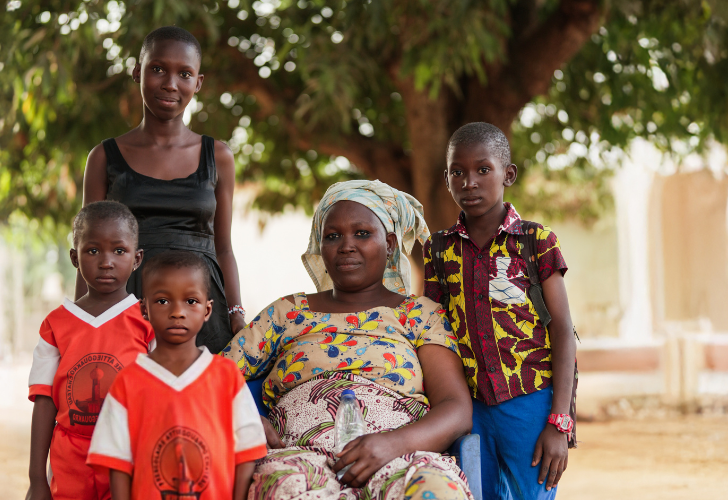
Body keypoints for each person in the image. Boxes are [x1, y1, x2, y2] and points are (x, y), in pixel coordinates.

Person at [222, 180, 475, 500]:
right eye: (332, 236)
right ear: (319, 245)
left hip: (401, 457)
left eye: (362, 233)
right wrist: (242, 416)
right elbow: (211, 378)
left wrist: (393, 444)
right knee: (286, 489)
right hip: (299, 461)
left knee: (437, 492)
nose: (346, 245)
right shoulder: (287, 313)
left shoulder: (419, 314)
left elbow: (456, 409)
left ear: (391, 244)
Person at [423, 122, 578, 500]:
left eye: (482, 169)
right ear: (446, 180)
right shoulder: (439, 249)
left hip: (530, 402)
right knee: (475, 493)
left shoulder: (535, 241)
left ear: (507, 174)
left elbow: (562, 330)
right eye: (457, 172)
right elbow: (431, 333)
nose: (469, 182)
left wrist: (560, 421)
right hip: (469, 409)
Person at [78, 25, 245, 354]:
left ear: (197, 83)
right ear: (137, 71)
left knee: (197, 404)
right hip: (128, 305)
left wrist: (236, 315)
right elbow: (89, 248)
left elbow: (223, 248)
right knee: (128, 402)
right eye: (157, 69)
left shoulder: (219, 156)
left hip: (200, 309)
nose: (170, 84)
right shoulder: (103, 157)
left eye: (184, 74)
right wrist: (82, 318)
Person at [87, 251, 266, 500]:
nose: (177, 311)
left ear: (207, 309)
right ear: (144, 309)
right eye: (162, 301)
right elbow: (117, 463)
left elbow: (247, 451)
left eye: (191, 301)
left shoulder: (227, 377)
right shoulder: (128, 383)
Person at [27, 201, 155, 500]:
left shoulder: (148, 321)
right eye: (93, 250)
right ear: (75, 257)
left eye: (119, 251)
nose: (106, 261)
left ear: (137, 259)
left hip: (129, 457)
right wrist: (36, 479)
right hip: (70, 461)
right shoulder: (55, 325)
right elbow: (44, 401)